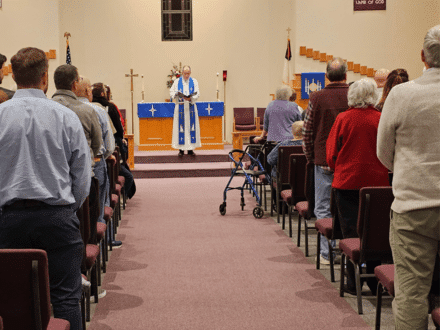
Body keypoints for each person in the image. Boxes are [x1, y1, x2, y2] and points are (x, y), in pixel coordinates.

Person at [0, 47, 91, 330]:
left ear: (13, 77)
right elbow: (82, 174)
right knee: (65, 300)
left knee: (11, 301)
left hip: (8, 220)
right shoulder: (64, 116)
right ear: (45, 78)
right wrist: (67, 209)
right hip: (57, 218)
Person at [377, 25, 440, 330]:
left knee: (412, 295)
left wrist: (406, 169)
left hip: (414, 207)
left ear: (422, 57)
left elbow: (383, 152)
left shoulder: (402, 95)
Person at [326, 78, 389, 295]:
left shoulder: (343, 118)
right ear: (374, 96)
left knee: (350, 232)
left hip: (346, 183)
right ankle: (374, 281)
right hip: (377, 185)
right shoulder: (381, 119)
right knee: (374, 234)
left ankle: (353, 283)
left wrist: (339, 167)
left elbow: (331, 153)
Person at [302, 57, 350, 265]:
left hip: (323, 160)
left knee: (322, 207)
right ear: (346, 76)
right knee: (349, 207)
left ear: (326, 76)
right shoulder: (354, 95)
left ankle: (326, 253)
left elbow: (307, 131)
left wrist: (310, 157)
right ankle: (349, 252)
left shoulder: (316, 97)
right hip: (349, 160)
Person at [52, 65, 102, 174]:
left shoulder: (43, 110)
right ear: (75, 85)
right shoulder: (87, 111)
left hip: (53, 174)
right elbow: (97, 144)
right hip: (82, 172)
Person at [170, 65, 201, 156]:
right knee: (180, 128)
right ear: (182, 73)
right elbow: (171, 92)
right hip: (180, 107)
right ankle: (181, 150)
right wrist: (176, 94)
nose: (187, 75)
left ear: (190, 73)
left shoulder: (194, 81)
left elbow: (197, 93)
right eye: (185, 73)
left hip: (190, 107)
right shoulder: (176, 81)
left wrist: (191, 98)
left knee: (190, 128)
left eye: (188, 73)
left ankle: (191, 149)